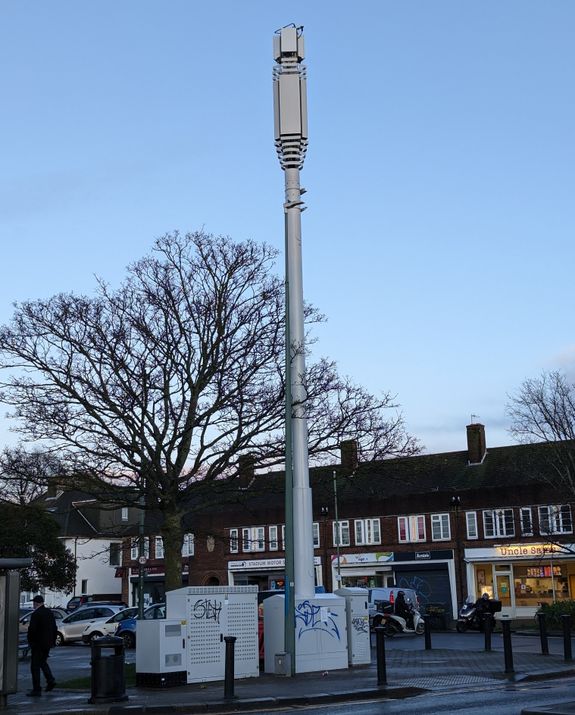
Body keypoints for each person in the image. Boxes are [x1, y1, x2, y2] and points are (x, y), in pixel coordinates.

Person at [26, 594, 57, 697]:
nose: (33, 605)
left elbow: (32, 630)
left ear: (37, 603)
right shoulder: (49, 613)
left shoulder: (36, 614)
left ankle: (37, 689)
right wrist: (52, 641)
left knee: (34, 666)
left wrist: (31, 642)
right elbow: (54, 628)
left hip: (38, 644)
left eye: (34, 603)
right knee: (42, 662)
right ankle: (50, 680)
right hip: (47, 644)